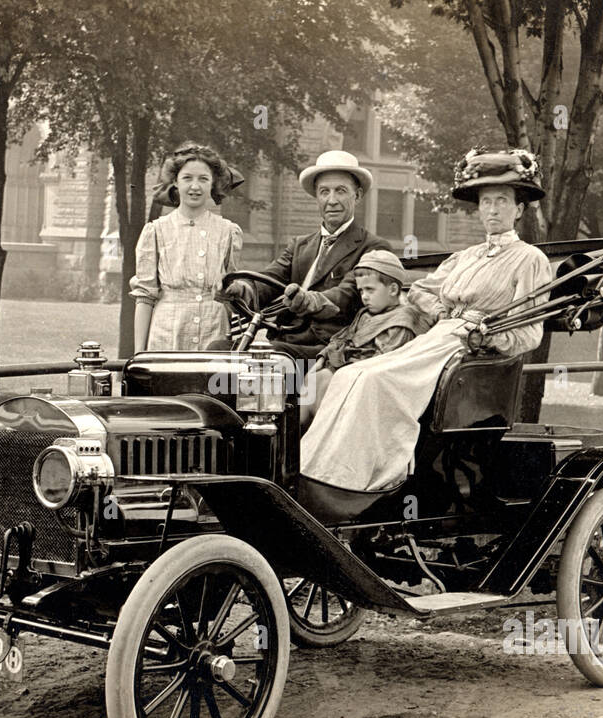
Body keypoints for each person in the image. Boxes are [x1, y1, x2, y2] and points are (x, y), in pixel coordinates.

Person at [300, 147, 554, 493]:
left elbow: (530, 333)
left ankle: (368, 477)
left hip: (470, 349)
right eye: (486, 202)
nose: (493, 210)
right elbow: (418, 289)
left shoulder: (530, 259)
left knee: (375, 381)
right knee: (350, 374)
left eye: (502, 201)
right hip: (440, 335)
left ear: (519, 209)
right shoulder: (466, 257)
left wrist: (485, 335)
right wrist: (443, 314)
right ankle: (319, 472)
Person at [222, 150, 389, 359]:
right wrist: (241, 289)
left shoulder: (372, 248)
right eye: (324, 192)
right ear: (316, 197)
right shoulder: (300, 245)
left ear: (358, 195)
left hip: (332, 346)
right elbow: (269, 279)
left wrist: (310, 300)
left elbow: (346, 295)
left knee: (268, 357)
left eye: (341, 191)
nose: (332, 200)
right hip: (286, 337)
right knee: (217, 349)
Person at [298, 250, 430, 428]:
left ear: (393, 289)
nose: (364, 296)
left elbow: (383, 361)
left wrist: (341, 367)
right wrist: (324, 356)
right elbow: (343, 337)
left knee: (324, 383)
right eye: (361, 291)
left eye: (370, 290)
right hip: (350, 370)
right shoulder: (366, 314)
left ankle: (321, 434)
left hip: (373, 384)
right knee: (314, 377)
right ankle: (299, 434)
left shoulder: (402, 321)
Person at [131, 145, 243, 351]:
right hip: (168, 333)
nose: (195, 186)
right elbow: (145, 297)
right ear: (175, 181)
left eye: (203, 179)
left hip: (214, 332)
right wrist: (138, 354)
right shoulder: (156, 231)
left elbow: (232, 295)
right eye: (187, 178)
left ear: (213, 184)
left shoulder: (228, 231)